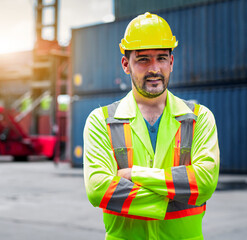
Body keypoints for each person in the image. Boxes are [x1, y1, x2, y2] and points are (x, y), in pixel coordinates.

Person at [83, 12, 219, 240]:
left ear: (172, 62)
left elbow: (204, 184)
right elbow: (99, 189)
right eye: (143, 59)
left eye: (162, 58)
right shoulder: (101, 120)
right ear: (126, 64)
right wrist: (177, 195)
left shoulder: (199, 118)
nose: (154, 68)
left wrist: (133, 174)